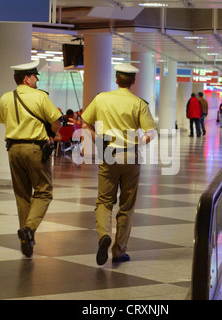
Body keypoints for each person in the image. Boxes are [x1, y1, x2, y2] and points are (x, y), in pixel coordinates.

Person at [81, 63, 157, 265]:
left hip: (107, 154)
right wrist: (138, 142)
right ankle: (119, 250)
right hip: (131, 156)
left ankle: (104, 234)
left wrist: (97, 137)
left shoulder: (101, 98)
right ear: (133, 81)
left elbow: (84, 123)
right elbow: (151, 133)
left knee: (104, 201)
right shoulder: (139, 103)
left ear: (116, 80)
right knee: (126, 205)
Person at [0, 60, 63, 257]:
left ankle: (27, 238)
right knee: (44, 192)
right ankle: (30, 228)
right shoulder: (40, 97)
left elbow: (3, 120)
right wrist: (52, 133)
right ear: (27, 78)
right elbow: (56, 122)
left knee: (22, 195)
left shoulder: (5, 98)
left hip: (13, 149)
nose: (37, 80)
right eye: (35, 76)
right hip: (35, 149)